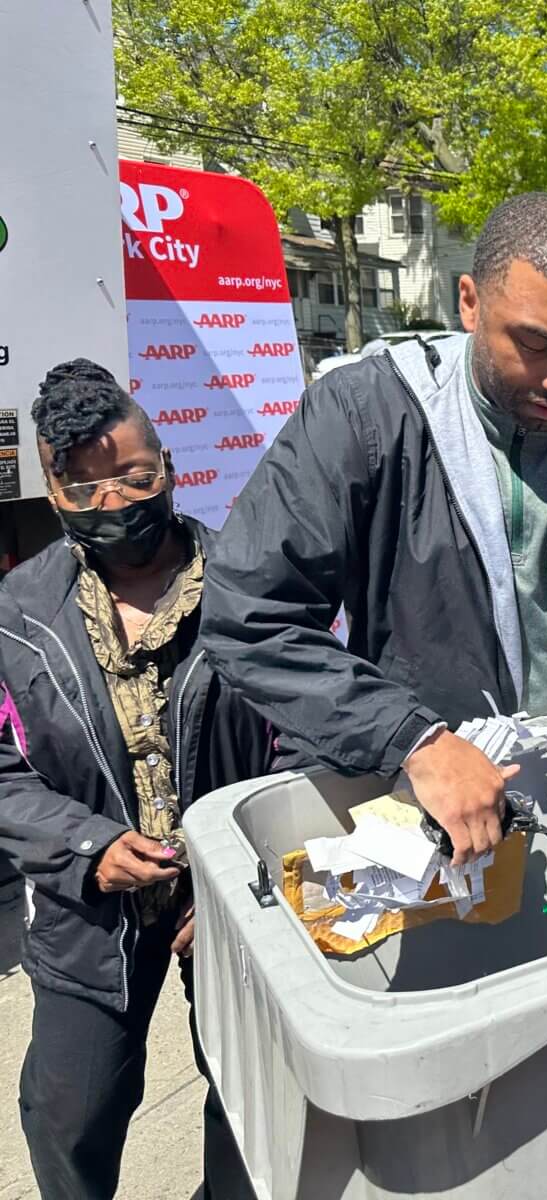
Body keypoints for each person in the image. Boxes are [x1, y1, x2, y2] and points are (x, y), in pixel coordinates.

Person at [201, 192, 547, 896]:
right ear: (469, 303)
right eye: (534, 344)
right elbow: (250, 615)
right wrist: (413, 740)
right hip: (401, 811)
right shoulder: (364, 416)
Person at [0, 361, 271, 1199]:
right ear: (53, 495)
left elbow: (300, 744)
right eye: (85, 490)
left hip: (233, 906)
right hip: (88, 914)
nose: (113, 503)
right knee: (70, 1115)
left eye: (135, 477)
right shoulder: (17, 613)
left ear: (169, 466)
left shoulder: (250, 585)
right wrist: (87, 846)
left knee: (251, 1100)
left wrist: (234, 876)